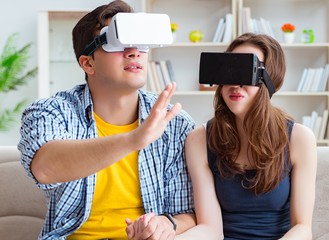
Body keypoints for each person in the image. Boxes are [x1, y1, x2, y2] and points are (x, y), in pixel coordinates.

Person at [18, 1, 196, 239]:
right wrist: (134, 139)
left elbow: (190, 212)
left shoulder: (175, 123)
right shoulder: (50, 112)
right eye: (117, 42)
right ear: (88, 63)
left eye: (139, 41)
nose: (134, 51)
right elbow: (45, 168)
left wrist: (167, 225)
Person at [182, 33, 317, 240]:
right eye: (230, 69)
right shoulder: (199, 140)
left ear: (270, 79)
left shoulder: (299, 139)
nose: (236, 84)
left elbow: (302, 228)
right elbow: (210, 228)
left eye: (246, 70)